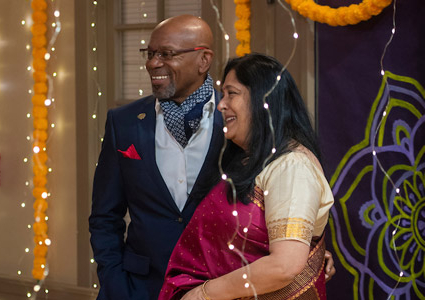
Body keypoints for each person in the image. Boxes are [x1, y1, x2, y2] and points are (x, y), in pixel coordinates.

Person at [89, 14, 335, 300]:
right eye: (151, 53)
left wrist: (303, 247)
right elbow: (105, 215)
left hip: (219, 286)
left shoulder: (240, 125)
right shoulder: (125, 122)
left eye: (166, 54)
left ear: (203, 60)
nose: (153, 63)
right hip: (137, 287)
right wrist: (114, 280)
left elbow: (271, 206)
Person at [158, 53, 335, 300]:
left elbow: (284, 265)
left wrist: (203, 294)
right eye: (223, 95)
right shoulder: (248, 159)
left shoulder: (291, 166)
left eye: (232, 94)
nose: (221, 104)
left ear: (264, 99)